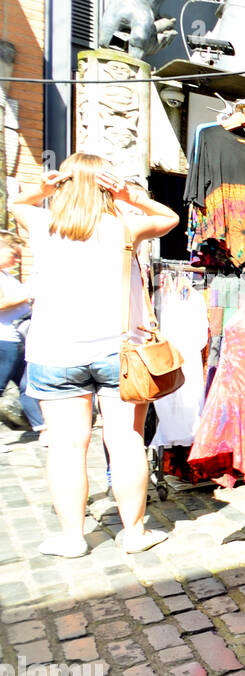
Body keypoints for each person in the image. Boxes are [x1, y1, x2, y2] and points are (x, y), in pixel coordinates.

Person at [9, 153, 179, 557]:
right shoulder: (124, 227)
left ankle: (72, 538)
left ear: (65, 186)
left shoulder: (43, 224)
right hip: (117, 352)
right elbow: (169, 217)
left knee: (67, 446)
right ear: (107, 188)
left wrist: (45, 189)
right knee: (125, 441)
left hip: (54, 351)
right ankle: (134, 533)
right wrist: (129, 194)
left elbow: (17, 203)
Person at [0, 230, 44, 432]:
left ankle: (43, 428)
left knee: (27, 384)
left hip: (17, 338)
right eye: (13, 254)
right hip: (4, 340)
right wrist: (27, 295)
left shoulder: (6, 276)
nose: (17, 260)